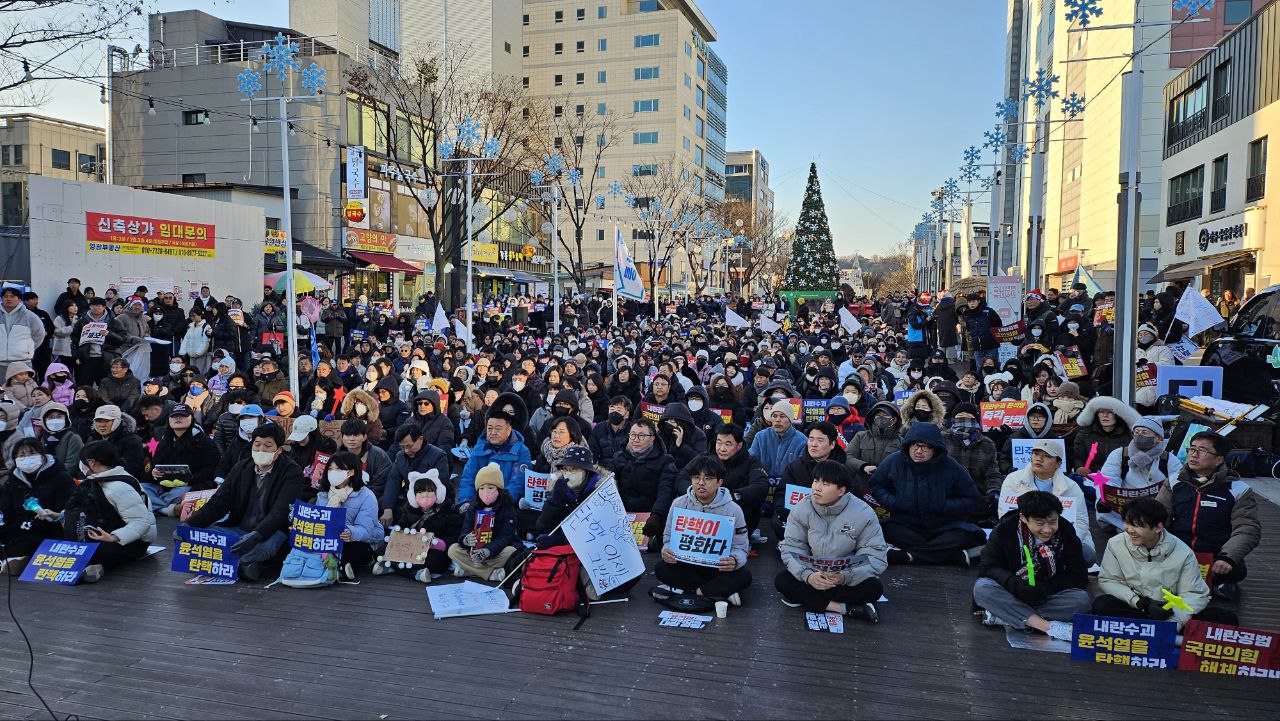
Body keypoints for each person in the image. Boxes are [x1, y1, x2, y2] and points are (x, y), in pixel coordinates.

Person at [185, 423, 306, 581]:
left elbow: (281, 512)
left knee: (264, 548)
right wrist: (189, 525)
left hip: (270, 532)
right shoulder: (241, 467)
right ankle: (245, 566)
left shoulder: (292, 471)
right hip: (240, 528)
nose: (261, 449)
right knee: (204, 535)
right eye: (257, 444)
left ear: (279, 450)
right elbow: (218, 503)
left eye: (268, 445)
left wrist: (257, 535)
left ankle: (234, 563)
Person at [1092, 498, 1236, 627]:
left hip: (1170, 613)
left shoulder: (1183, 552)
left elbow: (1193, 594)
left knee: (1226, 619)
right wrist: (1141, 603)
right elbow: (1109, 580)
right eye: (1127, 523)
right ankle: (1152, 631)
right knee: (1102, 604)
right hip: (1135, 607)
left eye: (1136, 525)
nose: (1129, 530)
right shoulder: (1116, 544)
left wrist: (1173, 621)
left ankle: (1142, 630)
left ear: (1158, 527)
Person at [775, 459, 886, 622]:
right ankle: (844, 608)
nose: (817, 488)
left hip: (845, 578)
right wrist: (808, 576)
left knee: (874, 588)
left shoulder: (863, 513)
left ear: (841, 490)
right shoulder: (801, 508)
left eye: (825, 484)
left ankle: (809, 599)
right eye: (815, 481)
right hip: (813, 573)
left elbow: (875, 555)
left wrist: (844, 576)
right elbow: (792, 547)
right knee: (782, 580)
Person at [972, 490, 1090, 641]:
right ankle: (1048, 627)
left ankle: (1005, 616)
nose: (1047, 529)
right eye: (1040, 523)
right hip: (1011, 590)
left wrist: (1047, 587)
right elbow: (988, 567)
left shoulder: (1066, 533)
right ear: (1023, 518)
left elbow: (1078, 576)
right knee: (982, 588)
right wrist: (1016, 585)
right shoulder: (1004, 530)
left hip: (1046, 594)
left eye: (1053, 522)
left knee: (1081, 600)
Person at [1159, 431, 1260, 602]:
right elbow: (1158, 516)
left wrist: (1228, 557)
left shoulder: (1238, 489)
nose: (1194, 454)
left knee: (1235, 569)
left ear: (1219, 460)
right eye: (1192, 449)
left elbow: (1247, 529)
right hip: (1177, 553)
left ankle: (1217, 583)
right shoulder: (1174, 482)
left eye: (1202, 451)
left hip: (1214, 557)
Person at [869, 422, 986, 566]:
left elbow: (972, 499)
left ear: (935, 449)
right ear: (908, 445)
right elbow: (876, 485)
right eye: (915, 446)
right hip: (905, 525)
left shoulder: (951, 466)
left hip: (943, 527)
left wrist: (944, 505)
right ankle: (950, 556)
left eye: (925, 447)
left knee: (969, 534)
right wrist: (895, 502)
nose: (918, 451)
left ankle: (909, 556)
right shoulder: (894, 461)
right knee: (880, 528)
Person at [654, 455, 751, 608]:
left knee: (744, 576)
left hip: (716, 568)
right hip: (687, 564)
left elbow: (742, 547)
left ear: (720, 482)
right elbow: (667, 538)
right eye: (696, 477)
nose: (701, 483)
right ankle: (713, 592)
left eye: (708, 478)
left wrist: (734, 560)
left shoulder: (733, 510)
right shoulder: (679, 503)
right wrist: (667, 551)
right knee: (661, 568)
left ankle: (689, 590)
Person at [61, 441, 156, 583]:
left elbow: (141, 522)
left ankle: (94, 568)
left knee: (90, 553)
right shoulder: (96, 480)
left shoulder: (119, 487)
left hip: (134, 541)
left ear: (91, 462)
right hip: (105, 532)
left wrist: (114, 537)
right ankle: (92, 568)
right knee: (69, 548)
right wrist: (58, 516)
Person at [999, 439, 1095, 563]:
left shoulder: (1071, 486)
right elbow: (1004, 515)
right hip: (1023, 536)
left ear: (1058, 463)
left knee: (1088, 556)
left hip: (1059, 537)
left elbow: (1081, 521)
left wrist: (1059, 544)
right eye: (1036, 454)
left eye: (1047, 456)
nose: (1039, 459)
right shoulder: (1013, 480)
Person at [374, 469, 461, 583]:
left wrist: (440, 543)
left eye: (429, 491)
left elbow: (454, 535)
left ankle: (393, 567)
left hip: (431, 550)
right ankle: (413, 572)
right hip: (409, 548)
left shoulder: (448, 512)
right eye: (420, 492)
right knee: (380, 551)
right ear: (413, 495)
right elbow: (400, 528)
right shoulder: (409, 511)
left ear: (437, 493)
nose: (425, 495)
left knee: (435, 561)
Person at [1096, 417, 1180, 531]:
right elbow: (1107, 479)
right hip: (1126, 511)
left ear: (1158, 438)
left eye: (1144, 432)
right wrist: (1103, 499)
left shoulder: (1169, 459)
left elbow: (1178, 484)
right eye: (1136, 432)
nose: (1139, 435)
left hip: (1155, 510)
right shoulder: (1119, 454)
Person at [0, 438, 75, 565]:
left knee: (28, 545)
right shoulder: (12, 481)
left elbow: (69, 508)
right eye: (22, 455)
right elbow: (6, 510)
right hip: (19, 530)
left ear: (43, 456)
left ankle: (17, 562)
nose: (27, 459)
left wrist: (53, 515)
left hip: (50, 530)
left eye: (32, 454)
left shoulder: (61, 477)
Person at [316, 451, 384, 580]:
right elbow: (319, 519)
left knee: (353, 549)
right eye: (330, 469)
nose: (333, 473)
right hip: (328, 538)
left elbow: (366, 531)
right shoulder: (324, 493)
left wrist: (350, 533)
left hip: (358, 540)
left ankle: (341, 566)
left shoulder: (366, 496)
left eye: (338, 469)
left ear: (351, 472)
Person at [144, 403, 220, 516]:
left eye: (183, 415)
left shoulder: (205, 442)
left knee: (179, 494)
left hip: (189, 485)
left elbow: (211, 470)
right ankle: (167, 510)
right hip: (163, 486)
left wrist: (189, 479)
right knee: (140, 488)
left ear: (191, 418)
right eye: (174, 416)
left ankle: (156, 505)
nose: (178, 418)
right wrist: (153, 473)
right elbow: (154, 465)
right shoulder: (164, 442)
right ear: (169, 419)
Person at [448, 462, 519, 582]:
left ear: (499, 489)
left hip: (495, 552)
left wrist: (488, 550)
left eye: (490, 488)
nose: (486, 492)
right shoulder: (473, 506)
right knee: (453, 550)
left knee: (511, 551)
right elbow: (465, 530)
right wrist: (465, 539)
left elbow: (506, 537)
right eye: (481, 488)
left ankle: (470, 570)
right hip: (474, 552)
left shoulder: (507, 507)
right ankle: (489, 573)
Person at [457, 392, 532, 505]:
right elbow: (468, 478)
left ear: (508, 430)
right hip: (477, 504)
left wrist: (498, 505)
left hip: (505, 506)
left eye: (498, 428)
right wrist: (466, 502)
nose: (493, 433)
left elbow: (517, 483)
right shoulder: (480, 448)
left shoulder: (522, 451)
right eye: (490, 428)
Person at [613, 417, 679, 543]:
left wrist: (656, 515)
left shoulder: (665, 460)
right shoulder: (618, 457)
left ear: (652, 438)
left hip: (650, 516)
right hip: (623, 515)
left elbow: (666, 491)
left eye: (641, 436)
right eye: (633, 435)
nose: (636, 440)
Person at [378, 425, 451, 524]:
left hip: (431, 498)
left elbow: (440, 484)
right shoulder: (400, 456)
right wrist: (388, 508)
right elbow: (393, 481)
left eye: (409, 446)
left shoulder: (438, 455)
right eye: (402, 447)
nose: (406, 451)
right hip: (409, 496)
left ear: (420, 439)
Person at [1072, 395, 1140, 478]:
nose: (1105, 415)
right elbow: (1078, 457)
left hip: (1121, 480)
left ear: (1118, 414)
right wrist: (1080, 468)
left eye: (1110, 411)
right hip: (1091, 480)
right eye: (1101, 411)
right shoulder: (1085, 434)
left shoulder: (1130, 436)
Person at [337, 418, 392, 502]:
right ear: (342, 436)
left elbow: (380, 486)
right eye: (347, 435)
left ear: (364, 437)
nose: (351, 439)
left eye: (356, 435)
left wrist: (355, 497)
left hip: (369, 499)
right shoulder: (336, 456)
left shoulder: (379, 455)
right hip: (340, 498)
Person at [0, 286, 48, 381]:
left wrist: (28, 348)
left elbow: (39, 334)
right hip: (1, 364)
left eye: (12, 296)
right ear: (1, 298)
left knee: (23, 392)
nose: (9, 299)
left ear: (19, 299)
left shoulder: (30, 316)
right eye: (6, 296)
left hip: (23, 363)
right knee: (2, 394)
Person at [589, 395, 632, 470]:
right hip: (603, 469)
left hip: (626, 470)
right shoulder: (599, 428)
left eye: (619, 410)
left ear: (627, 415)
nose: (614, 412)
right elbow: (592, 452)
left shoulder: (633, 430)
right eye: (612, 409)